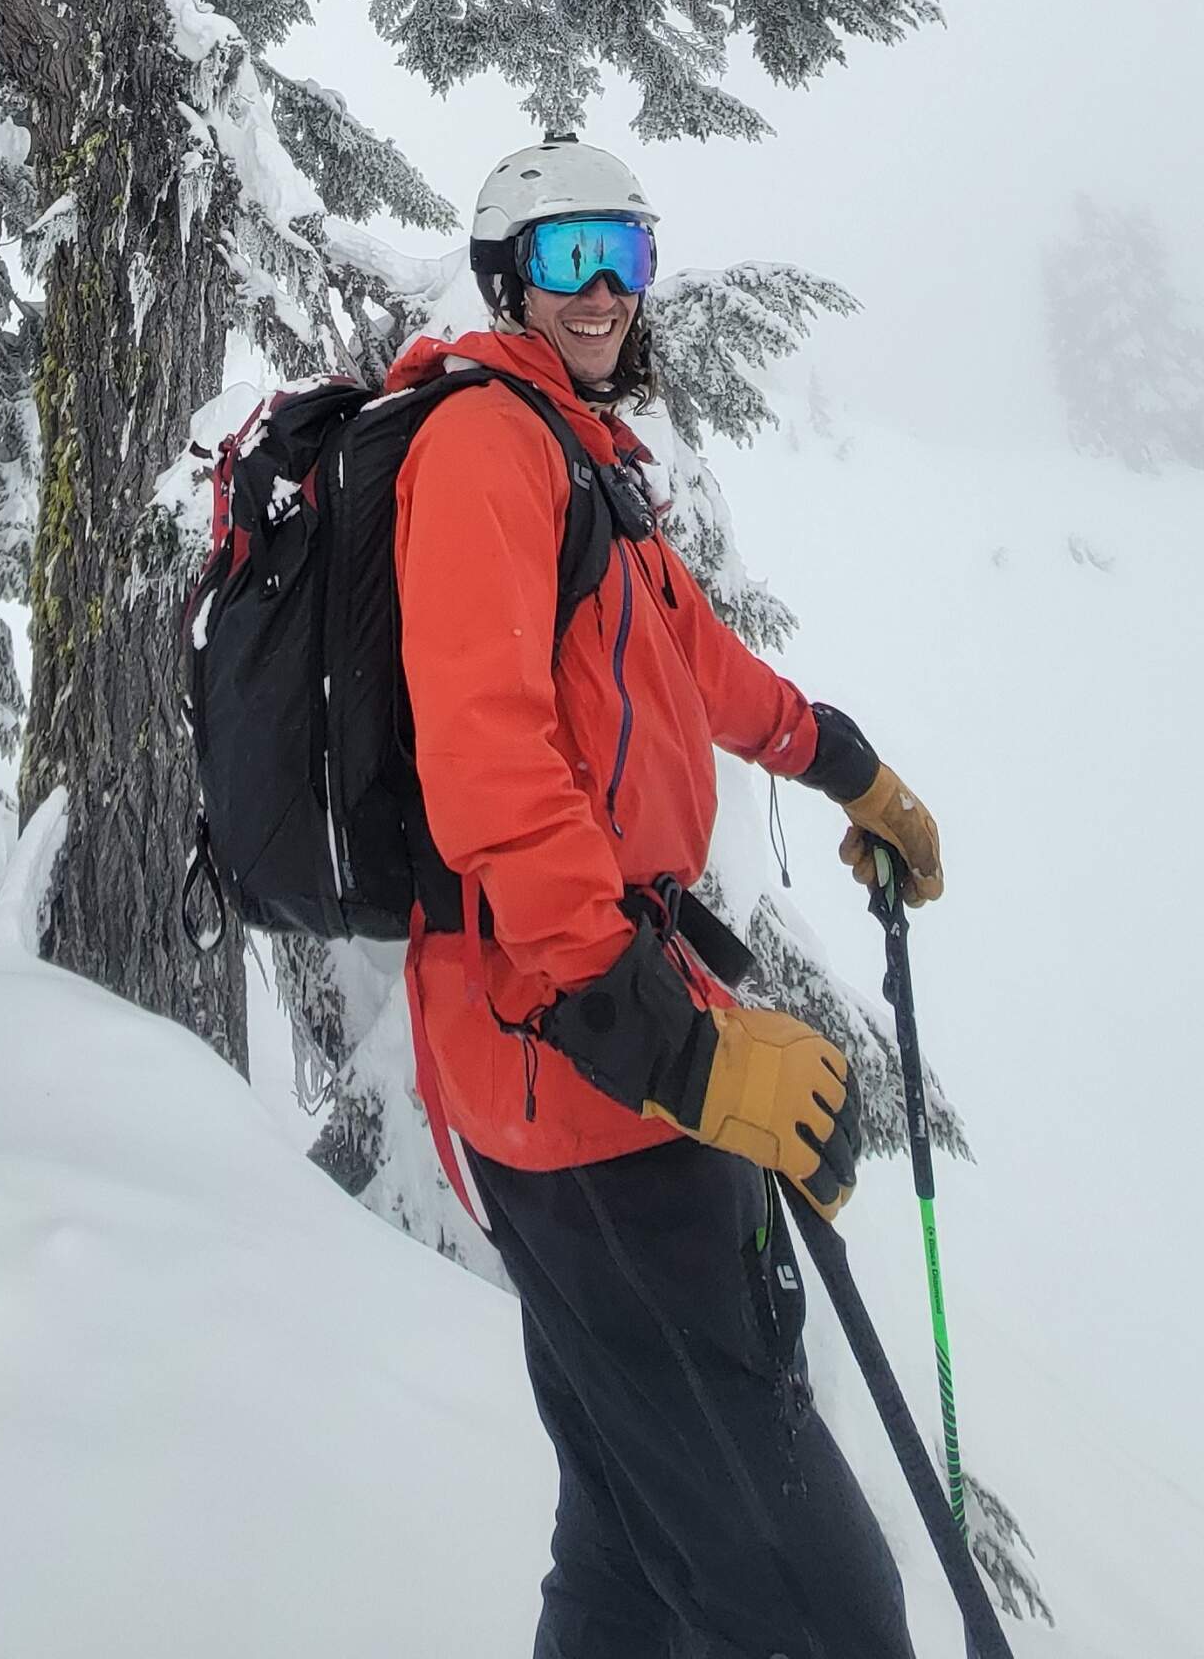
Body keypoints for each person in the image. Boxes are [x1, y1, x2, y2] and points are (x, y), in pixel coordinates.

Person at [388, 136, 944, 1659]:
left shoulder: (587, 467)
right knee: (811, 1603)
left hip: (587, 1050)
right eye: (565, 258)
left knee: (632, 1536)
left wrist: (850, 771)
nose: (601, 292)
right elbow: (486, 754)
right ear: (508, 278)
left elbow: (703, 666)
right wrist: (663, 1038)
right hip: (572, 1066)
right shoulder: (485, 446)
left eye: (624, 256)